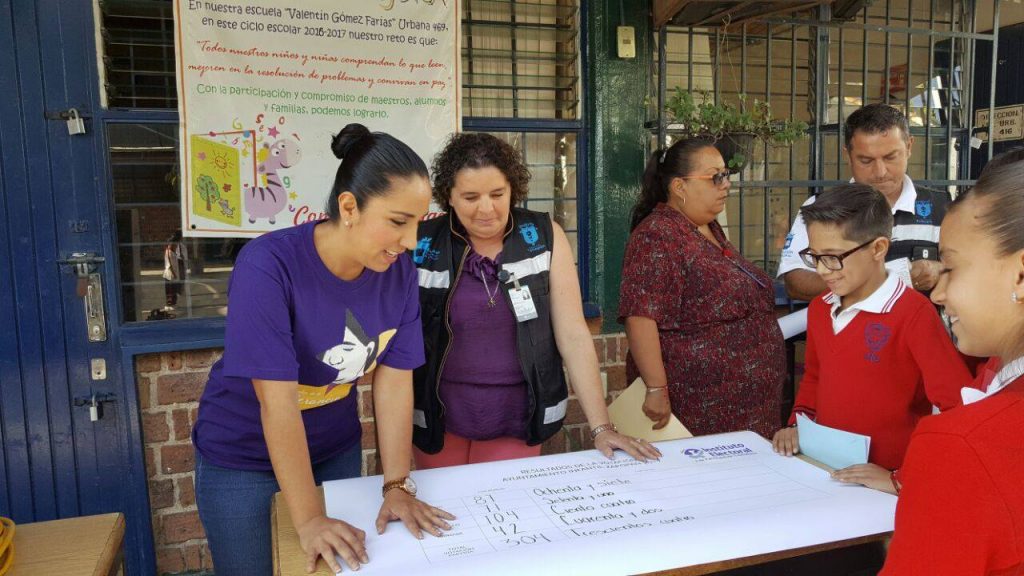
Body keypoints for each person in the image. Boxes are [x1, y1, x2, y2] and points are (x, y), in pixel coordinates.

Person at [192, 124, 453, 576]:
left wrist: (396, 484)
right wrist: (309, 517)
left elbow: (393, 382)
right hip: (242, 454)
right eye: (397, 221)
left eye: (417, 223)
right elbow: (278, 404)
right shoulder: (268, 265)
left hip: (334, 447)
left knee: (338, 567)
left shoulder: (399, 272)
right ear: (349, 206)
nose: (410, 241)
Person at [411, 132, 661, 468]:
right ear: (449, 197)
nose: (486, 208)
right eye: (470, 197)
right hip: (439, 415)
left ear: (513, 188)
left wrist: (601, 427)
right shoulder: (423, 244)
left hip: (517, 415)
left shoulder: (542, 236)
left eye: (497, 194)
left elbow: (573, 334)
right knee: (446, 514)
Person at [771, 183, 971, 493]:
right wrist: (797, 425)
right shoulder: (820, 309)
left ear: (878, 248)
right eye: (815, 256)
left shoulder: (913, 314)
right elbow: (814, 377)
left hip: (886, 485)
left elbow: (958, 407)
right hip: (824, 473)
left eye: (834, 257)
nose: (823, 271)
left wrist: (903, 477)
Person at [880, 150, 1024, 574]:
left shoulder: (962, 444)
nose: (938, 293)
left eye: (951, 267)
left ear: (1020, 274)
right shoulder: (991, 375)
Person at [619, 138, 785, 438]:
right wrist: (656, 388)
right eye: (715, 177)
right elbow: (641, 316)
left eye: (726, 175)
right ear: (679, 187)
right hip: (700, 408)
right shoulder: (658, 235)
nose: (726, 185)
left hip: (746, 407)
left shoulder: (708, 228)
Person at [778, 104, 950, 300]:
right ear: (848, 156)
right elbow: (796, 284)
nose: (880, 172)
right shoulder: (819, 207)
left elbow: (972, 272)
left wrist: (942, 271)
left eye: (890, 157)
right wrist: (898, 276)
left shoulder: (942, 207)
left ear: (909, 147)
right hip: (846, 329)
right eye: (866, 161)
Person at [162, 230, 188, 311]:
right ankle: (169, 304)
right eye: (175, 245)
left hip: (174, 272)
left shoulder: (174, 252)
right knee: (170, 289)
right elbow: (169, 264)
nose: (177, 246)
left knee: (174, 288)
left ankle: (174, 303)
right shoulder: (169, 252)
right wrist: (174, 274)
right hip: (170, 273)